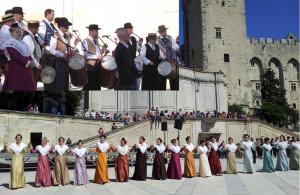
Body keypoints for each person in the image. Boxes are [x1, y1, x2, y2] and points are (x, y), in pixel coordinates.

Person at [46, 17, 79, 91]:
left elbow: (68, 49)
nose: (68, 27)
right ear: (60, 26)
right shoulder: (55, 35)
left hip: (66, 62)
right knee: (60, 84)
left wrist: (75, 44)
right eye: (66, 26)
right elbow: (51, 50)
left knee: (65, 84)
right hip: (58, 63)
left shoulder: (67, 36)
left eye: (67, 26)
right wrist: (61, 55)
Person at [3, 23, 36, 91]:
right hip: (17, 69)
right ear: (12, 33)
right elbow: (15, 55)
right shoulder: (10, 43)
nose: (19, 33)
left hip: (27, 69)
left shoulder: (23, 43)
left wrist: (32, 61)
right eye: (16, 32)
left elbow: (29, 54)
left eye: (20, 31)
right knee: (17, 86)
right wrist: (27, 62)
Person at [82, 24, 107, 90]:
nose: (97, 33)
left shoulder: (95, 41)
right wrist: (98, 57)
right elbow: (86, 55)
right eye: (96, 31)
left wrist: (103, 50)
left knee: (97, 84)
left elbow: (96, 53)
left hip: (97, 65)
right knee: (91, 84)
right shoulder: (85, 41)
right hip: (91, 65)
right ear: (91, 31)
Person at [157, 25, 179, 90]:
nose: (165, 32)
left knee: (174, 83)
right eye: (163, 31)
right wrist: (163, 55)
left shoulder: (170, 37)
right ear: (160, 32)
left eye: (165, 31)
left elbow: (175, 47)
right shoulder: (157, 40)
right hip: (163, 63)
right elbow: (158, 51)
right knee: (162, 84)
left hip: (172, 62)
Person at [22, 20, 43, 85]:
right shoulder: (27, 37)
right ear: (32, 28)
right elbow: (29, 53)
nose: (38, 30)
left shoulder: (31, 36)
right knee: (31, 85)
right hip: (31, 67)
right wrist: (37, 64)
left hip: (33, 66)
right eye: (37, 28)